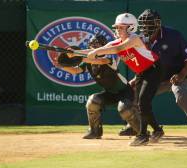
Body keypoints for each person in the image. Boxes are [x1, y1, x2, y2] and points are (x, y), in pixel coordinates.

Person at [70, 13, 164, 146]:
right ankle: (157, 130)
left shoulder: (134, 38)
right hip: (141, 72)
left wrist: (96, 52)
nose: (117, 30)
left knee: (143, 102)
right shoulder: (116, 41)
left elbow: (117, 49)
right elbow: (101, 49)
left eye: (121, 27)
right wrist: (74, 53)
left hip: (153, 69)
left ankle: (142, 135)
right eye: (117, 27)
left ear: (131, 28)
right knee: (142, 104)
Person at [120, 9, 187, 137]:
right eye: (143, 24)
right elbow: (144, 63)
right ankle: (135, 126)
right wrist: (137, 79)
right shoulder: (140, 38)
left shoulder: (173, 35)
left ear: (157, 23)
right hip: (157, 76)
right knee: (135, 93)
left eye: (149, 23)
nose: (146, 27)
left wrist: (181, 75)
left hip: (179, 74)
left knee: (180, 91)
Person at [58, 34, 140, 139]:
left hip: (125, 92)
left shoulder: (110, 56)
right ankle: (95, 131)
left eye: (98, 46)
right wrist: (63, 65)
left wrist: (77, 57)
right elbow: (75, 70)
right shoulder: (88, 61)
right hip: (110, 93)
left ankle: (141, 132)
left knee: (124, 109)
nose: (95, 48)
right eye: (92, 45)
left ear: (104, 47)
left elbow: (100, 61)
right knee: (93, 101)